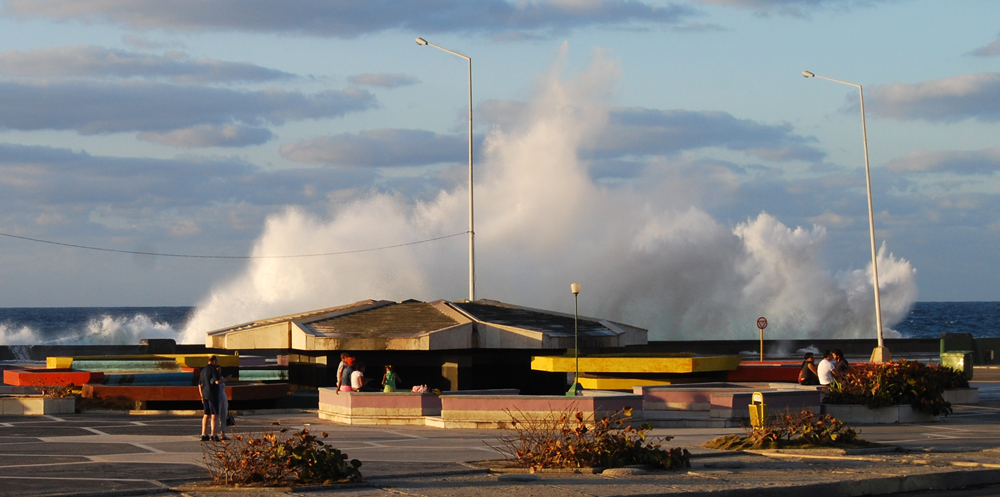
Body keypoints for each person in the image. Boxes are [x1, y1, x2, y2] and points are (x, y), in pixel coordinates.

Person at [199, 355, 222, 442]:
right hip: (213, 395)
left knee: (206, 414)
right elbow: (217, 381)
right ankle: (214, 434)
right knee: (214, 415)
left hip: (205, 395)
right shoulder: (213, 369)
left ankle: (203, 434)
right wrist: (226, 379)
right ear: (214, 361)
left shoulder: (203, 370)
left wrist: (201, 395)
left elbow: (200, 385)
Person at [217, 367, 233, 441]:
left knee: (224, 416)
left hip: (223, 397)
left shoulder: (221, 377)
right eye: (218, 370)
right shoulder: (214, 379)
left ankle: (223, 434)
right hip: (217, 398)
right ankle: (214, 434)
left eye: (220, 370)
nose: (219, 371)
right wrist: (226, 379)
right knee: (217, 416)